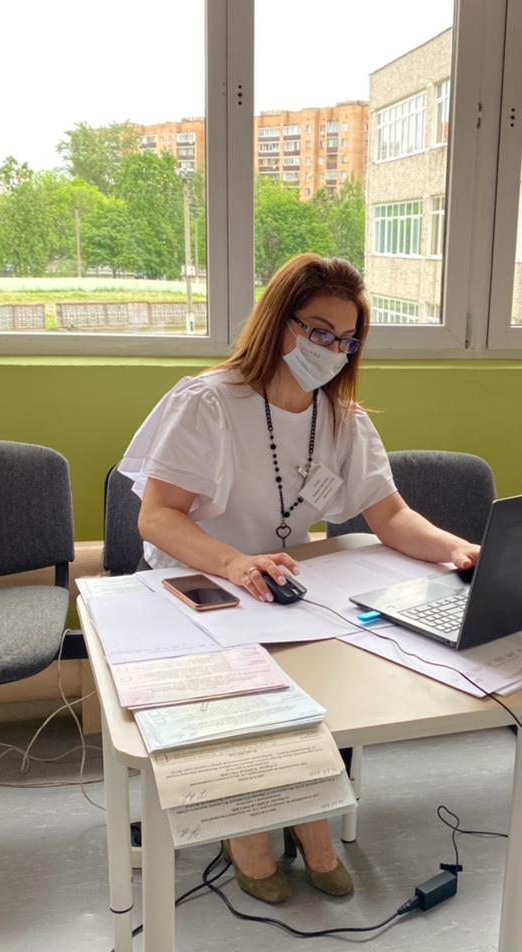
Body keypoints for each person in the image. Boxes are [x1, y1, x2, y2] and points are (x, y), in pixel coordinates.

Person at [118, 253, 480, 904]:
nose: (332, 350)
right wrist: (234, 563)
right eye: (318, 331)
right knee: (242, 682)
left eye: (346, 339)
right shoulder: (208, 402)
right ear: (277, 321)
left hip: (281, 585)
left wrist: (463, 550)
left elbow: (391, 517)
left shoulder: (342, 419)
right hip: (196, 580)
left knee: (321, 678)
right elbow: (157, 517)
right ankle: (250, 833)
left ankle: (306, 817)